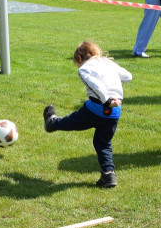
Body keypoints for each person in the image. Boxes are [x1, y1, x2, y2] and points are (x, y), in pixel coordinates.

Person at [43, 41, 132, 188]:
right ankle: (108, 175)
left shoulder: (84, 69)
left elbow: (96, 85)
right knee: (102, 142)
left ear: (79, 58)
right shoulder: (107, 63)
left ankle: (52, 123)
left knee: (71, 121)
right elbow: (128, 76)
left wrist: (107, 100)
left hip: (98, 108)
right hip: (115, 112)